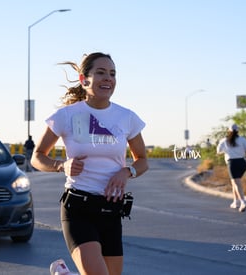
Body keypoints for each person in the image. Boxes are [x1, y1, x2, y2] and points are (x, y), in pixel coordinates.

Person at [31, 52, 148, 275]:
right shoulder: (66, 116)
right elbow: (37, 156)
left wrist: (127, 171)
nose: (108, 78)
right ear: (84, 79)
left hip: (111, 211)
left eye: (112, 74)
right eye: (101, 73)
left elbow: (142, 160)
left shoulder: (127, 117)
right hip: (78, 209)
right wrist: (61, 165)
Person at [217, 124, 246, 212]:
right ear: (237, 131)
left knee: (236, 183)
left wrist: (226, 151)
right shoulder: (242, 139)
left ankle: (243, 202)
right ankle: (235, 202)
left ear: (228, 131)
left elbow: (218, 151)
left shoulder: (224, 140)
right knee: (235, 182)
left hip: (232, 163)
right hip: (242, 163)